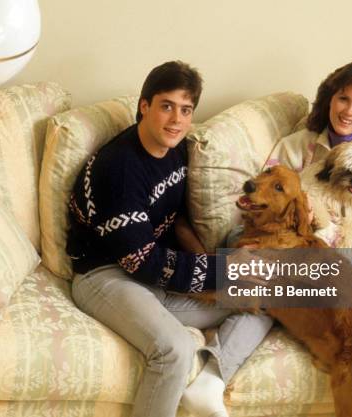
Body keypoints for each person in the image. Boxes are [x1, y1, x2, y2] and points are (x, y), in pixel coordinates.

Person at [67, 61, 272, 417]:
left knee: (269, 295)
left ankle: (210, 382)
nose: (176, 119)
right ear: (144, 106)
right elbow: (141, 262)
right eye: (166, 106)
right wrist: (221, 271)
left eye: (185, 110)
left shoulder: (175, 149)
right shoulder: (119, 169)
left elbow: (175, 219)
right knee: (174, 349)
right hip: (104, 275)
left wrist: (220, 266)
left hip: (156, 278)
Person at [265, 59, 352, 295]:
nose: (349, 112)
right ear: (330, 98)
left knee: (341, 293)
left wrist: (318, 233)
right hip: (302, 239)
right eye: (343, 99)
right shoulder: (297, 145)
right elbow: (267, 196)